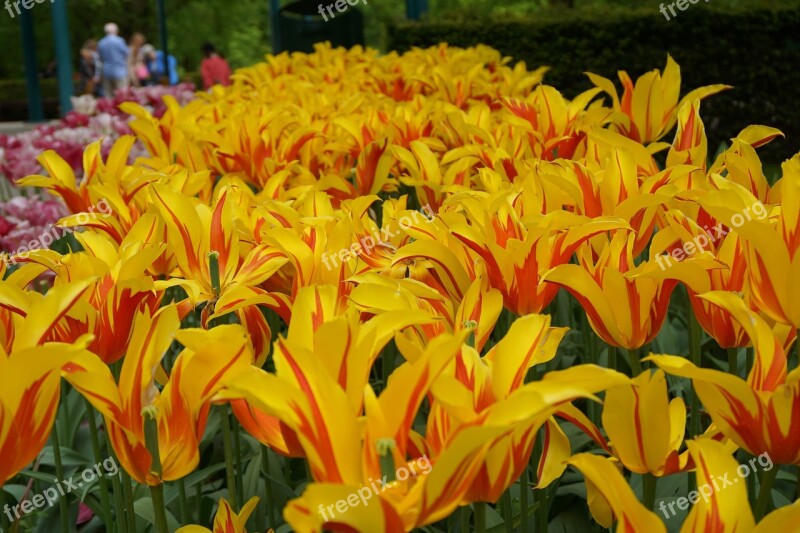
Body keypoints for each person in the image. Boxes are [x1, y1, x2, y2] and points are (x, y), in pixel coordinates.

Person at [97, 23, 129, 96]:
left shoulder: (101, 42)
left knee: (108, 95)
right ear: (116, 31)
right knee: (122, 95)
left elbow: (100, 57)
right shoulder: (120, 41)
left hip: (107, 71)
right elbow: (126, 53)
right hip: (120, 71)